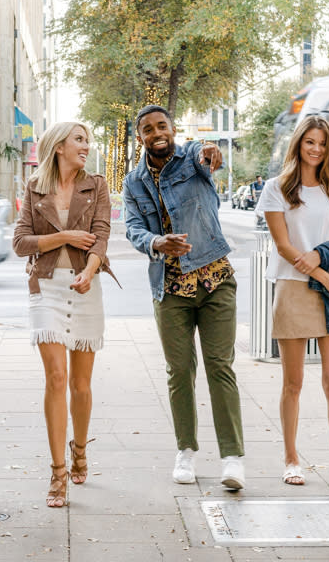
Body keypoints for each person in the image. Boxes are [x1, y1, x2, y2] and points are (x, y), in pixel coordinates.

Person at [122, 105, 246, 490]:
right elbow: (132, 228)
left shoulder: (192, 159)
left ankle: (232, 458)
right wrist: (158, 241)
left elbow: (201, 151)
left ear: (172, 130)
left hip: (214, 279)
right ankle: (186, 451)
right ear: (139, 136)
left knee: (219, 367)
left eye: (163, 126)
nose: (157, 133)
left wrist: (208, 149)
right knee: (179, 372)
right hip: (170, 287)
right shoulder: (134, 181)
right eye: (148, 129)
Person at [256, 115, 329, 497]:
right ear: (298, 144)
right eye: (310, 142)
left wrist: (323, 263)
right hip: (294, 288)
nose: (316, 149)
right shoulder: (277, 189)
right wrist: (322, 273)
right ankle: (290, 459)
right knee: (293, 383)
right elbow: (285, 248)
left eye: (322, 144)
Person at [13, 121, 116, 508]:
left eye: (87, 139)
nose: (86, 145)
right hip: (46, 288)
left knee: (81, 385)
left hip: (85, 285)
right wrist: (65, 237)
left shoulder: (97, 185)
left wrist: (90, 271)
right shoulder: (35, 187)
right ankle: (58, 472)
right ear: (58, 147)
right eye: (79, 139)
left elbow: (102, 234)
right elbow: (21, 242)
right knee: (56, 377)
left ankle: (79, 449)